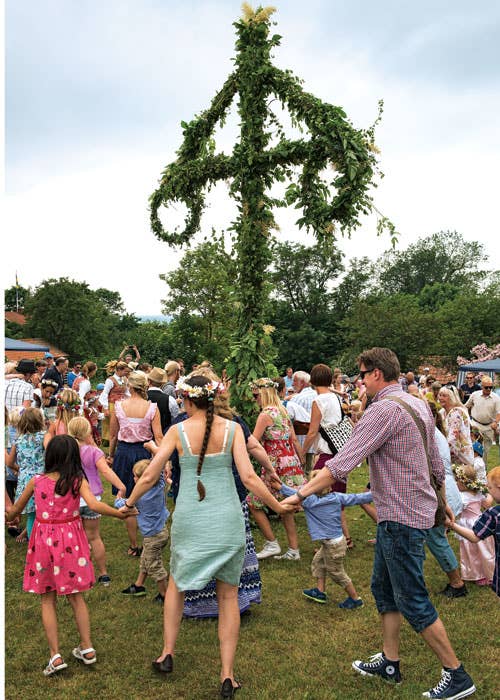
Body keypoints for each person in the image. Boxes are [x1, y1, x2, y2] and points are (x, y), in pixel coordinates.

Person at [281, 347, 475, 700]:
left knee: (413, 599)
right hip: (403, 513)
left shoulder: (381, 409)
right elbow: (434, 459)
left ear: (376, 374)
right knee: (384, 591)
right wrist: (442, 503)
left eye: (361, 374)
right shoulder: (416, 402)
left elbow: (341, 464)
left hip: (401, 518)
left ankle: (456, 674)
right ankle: (390, 661)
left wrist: (299, 496)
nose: (357, 381)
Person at [119, 375, 293, 697]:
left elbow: (150, 475)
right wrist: (278, 506)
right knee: (228, 595)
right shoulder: (233, 430)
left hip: (191, 520)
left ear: (185, 400)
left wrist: (128, 504)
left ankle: (167, 653)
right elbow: (250, 477)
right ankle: (227, 673)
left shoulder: (177, 431)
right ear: (213, 398)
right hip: (227, 520)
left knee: (177, 584)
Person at [6, 434, 133, 676]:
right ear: (74, 457)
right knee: (76, 597)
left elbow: (15, 512)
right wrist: (120, 514)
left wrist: (8, 511)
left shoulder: (36, 481)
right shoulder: (77, 481)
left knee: (47, 598)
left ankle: (55, 656)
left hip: (43, 544)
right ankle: (87, 648)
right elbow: (95, 506)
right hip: (71, 543)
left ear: (49, 456)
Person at [275, 471, 373, 608]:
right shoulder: (337, 497)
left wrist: (280, 487)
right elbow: (357, 498)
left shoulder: (309, 501)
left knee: (337, 573)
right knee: (318, 562)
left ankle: (355, 599)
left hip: (333, 545)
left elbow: (293, 493)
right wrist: (376, 493)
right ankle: (320, 592)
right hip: (335, 542)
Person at [247, 378, 306, 562]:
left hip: (274, 465)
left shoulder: (265, 415)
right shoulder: (283, 411)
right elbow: (294, 440)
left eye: (256, 395)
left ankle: (271, 542)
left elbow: (253, 442)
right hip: (290, 463)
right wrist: (301, 459)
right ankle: (293, 549)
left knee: (253, 502)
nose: (254, 398)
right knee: (286, 506)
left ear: (264, 393)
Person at [108, 371, 163, 556]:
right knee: (147, 494)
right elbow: (159, 436)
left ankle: (133, 544)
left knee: (128, 498)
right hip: (144, 452)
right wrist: (164, 460)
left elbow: (113, 434)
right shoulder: (152, 408)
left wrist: (111, 454)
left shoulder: (119, 406)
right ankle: (150, 538)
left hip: (124, 452)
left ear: (130, 386)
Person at [68, 417, 126, 587]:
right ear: (87, 432)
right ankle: (103, 573)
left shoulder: (65, 451)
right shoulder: (94, 452)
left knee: (74, 538)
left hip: (72, 499)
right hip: (93, 499)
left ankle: (77, 571)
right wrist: (121, 486)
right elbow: (106, 471)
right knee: (94, 537)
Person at [300, 363, 354, 548]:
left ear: (312, 381)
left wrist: (302, 452)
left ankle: (329, 538)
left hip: (328, 456)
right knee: (337, 497)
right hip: (340, 453)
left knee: (318, 496)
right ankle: (345, 539)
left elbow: (312, 431)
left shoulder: (319, 401)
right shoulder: (335, 398)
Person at [119, 458, 170, 603]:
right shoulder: (159, 486)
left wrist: (119, 499)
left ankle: (164, 595)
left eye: (136, 476)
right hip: (161, 532)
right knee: (146, 559)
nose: (134, 478)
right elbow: (159, 469)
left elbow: (124, 505)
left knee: (154, 565)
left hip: (153, 537)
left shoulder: (141, 498)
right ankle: (139, 585)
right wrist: (153, 448)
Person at [447, 465, 500, 598]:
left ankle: (479, 574)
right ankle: (486, 574)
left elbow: (474, 536)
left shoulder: (493, 514)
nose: (488, 490)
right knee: (485, 551)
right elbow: (487, 502)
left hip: (472, 526)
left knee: (474, 552)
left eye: (490, 488)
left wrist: (451, 524)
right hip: (478, 522)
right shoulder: (479, 496)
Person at [6, 407, 46, 539]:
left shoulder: (18, 441)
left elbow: (10, 463)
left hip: (25, 481)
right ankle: (39, 542)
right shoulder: (43, 437)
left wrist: (22, 469)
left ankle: (33, 543)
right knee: (42, 512)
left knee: (31, 515)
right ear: (40, 421)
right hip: (42, 478)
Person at [465, 376, 500, 463]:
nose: (488, 389)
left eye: (490, 387)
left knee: (485, 451)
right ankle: (470, 469)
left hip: (488, 427)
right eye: (486, 387)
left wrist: (496, 422)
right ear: (482, 386)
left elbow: (499, 412)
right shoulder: (475, 395)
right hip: (475, 425)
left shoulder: (496, 398)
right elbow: (466, 406)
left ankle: (482, 471)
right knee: (472, 448)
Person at [438, 386, 474, 467]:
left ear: (451, 398)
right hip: (449, 455)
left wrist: (442, 456)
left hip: (461, 457)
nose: (440, 398)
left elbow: (453, 439)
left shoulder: (456, 412)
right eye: (440, 395)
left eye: (444, 396)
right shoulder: (442, 412)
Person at [99, 360, 130, 445]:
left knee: (120, 422)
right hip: (112, 404)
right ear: (119, 370)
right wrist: (105, 408)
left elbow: (127, 393)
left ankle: (118, 439)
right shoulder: (110, 380)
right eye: (125, 371)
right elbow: (104, 394)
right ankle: (107, 441)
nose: (126, 373)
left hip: (122, 404)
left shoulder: (124, 380)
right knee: (110, 423)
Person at [147, 367, 179, 434]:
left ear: (149, 381)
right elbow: (175, 420)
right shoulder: (170, 400)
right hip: (164, 438)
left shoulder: (142, 398)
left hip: (143, 439)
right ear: (162, 383)